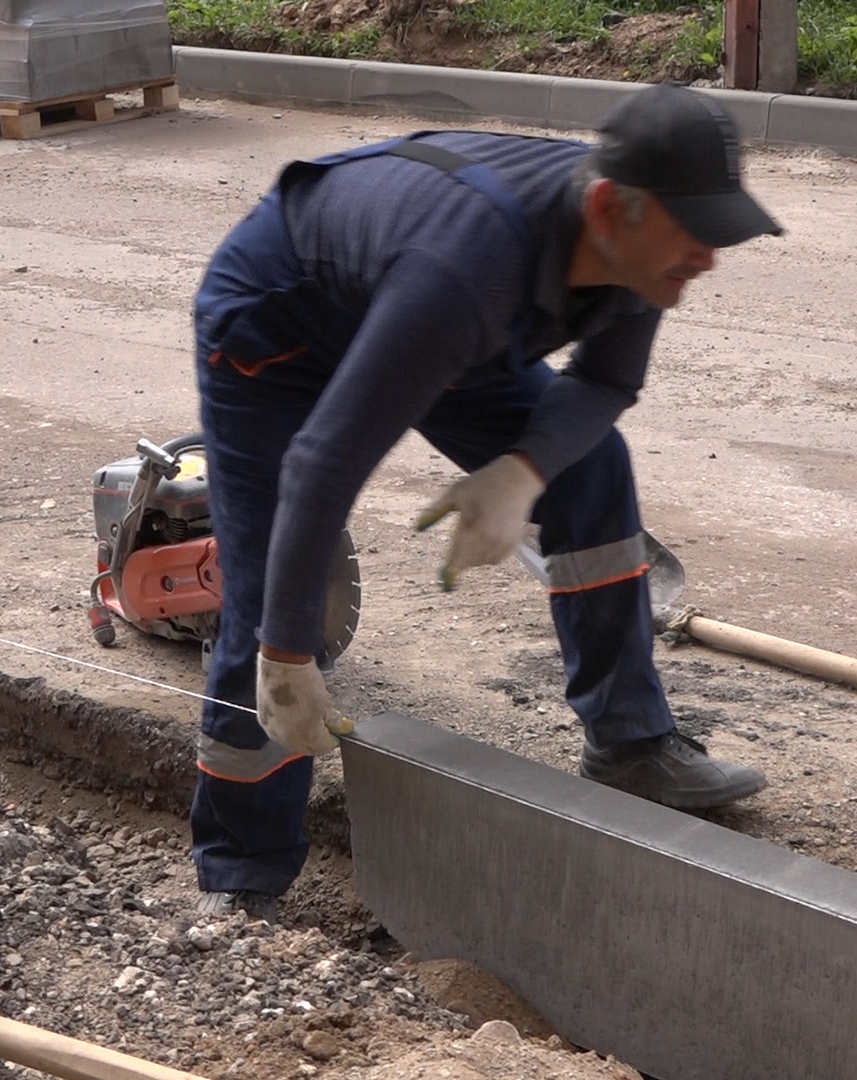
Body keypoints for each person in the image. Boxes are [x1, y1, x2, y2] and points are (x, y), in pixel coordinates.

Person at [187, 84, 783, 920]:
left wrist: (524, 472)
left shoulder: (630, 254)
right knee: (270, 600)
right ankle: (241, 875)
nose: (709, 257)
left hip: (433, 319)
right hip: (282, 326)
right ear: (611, 208)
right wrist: (285, 653)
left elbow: (606, 382)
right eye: (697, 231)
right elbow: (321, 466)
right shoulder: (466, 269)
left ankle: (631, 744)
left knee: (589, 466)